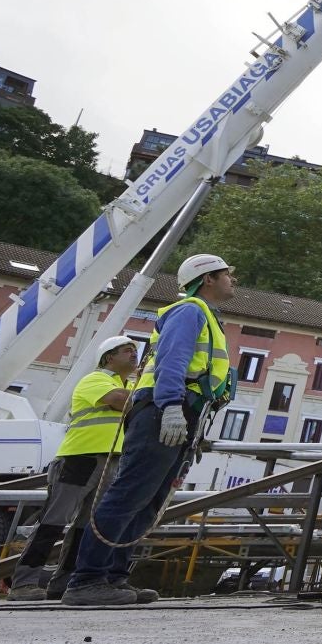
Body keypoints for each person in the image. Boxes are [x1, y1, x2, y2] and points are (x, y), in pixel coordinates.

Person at [61, 254, 237, 607]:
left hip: (182, 412)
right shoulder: (190, 311)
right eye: (227, 275)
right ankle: (87, 580)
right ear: (208, 279)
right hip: (164, 410)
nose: (233, 280)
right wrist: (171, 406)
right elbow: (173, 359)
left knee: (148, 500)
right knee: (130, 494)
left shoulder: (207, 317)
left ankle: (114, 578)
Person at [7, 337, 139, 601]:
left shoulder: (128, 385)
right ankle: (23, 584)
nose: (135, 355)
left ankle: (63, 583)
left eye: (136, 351)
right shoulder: (96, 380)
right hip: (80, 458)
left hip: (109, 461)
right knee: (52, 522)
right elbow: (119, 400)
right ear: (108, 358)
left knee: (87, 527)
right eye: (128, 351)